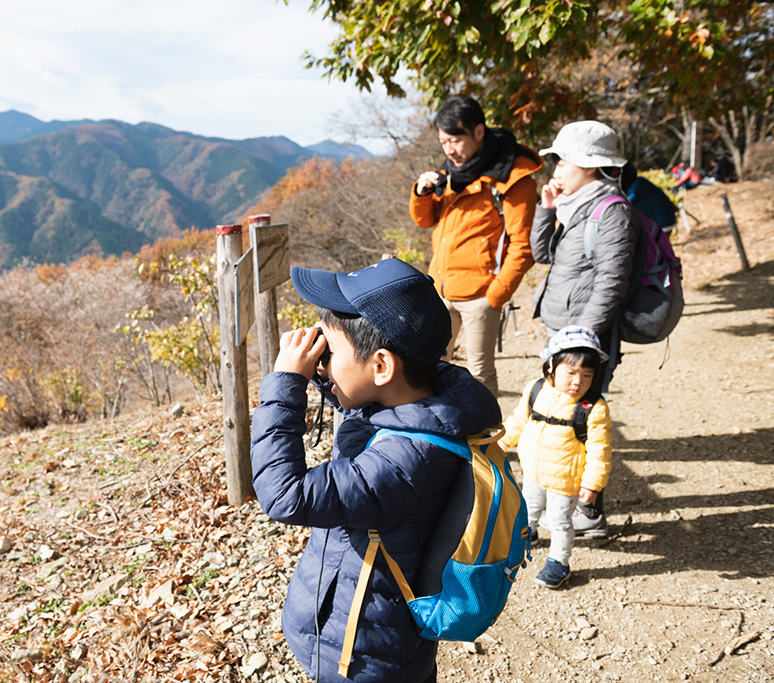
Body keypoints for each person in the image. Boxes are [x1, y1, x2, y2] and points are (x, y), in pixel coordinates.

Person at [250, 257, 501, 682]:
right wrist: (331, 377)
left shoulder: (407, 461)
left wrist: (284, 383)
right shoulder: (419, 403)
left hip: (366, 658)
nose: (321, 359)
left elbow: (284, 494)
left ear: (382, 367)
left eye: (331, 350)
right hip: (362, 638)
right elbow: (364, 414)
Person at [531, 120, 640, 538]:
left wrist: (584, 344)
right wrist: (545, 207)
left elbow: (612, 280)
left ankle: (589, 510)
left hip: (583, 339)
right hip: (563, 334)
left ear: (590, 165)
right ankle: (566, 507)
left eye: (562, 161)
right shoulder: (576, 206)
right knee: (562, 417)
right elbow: (544, 254)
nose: (556, 169)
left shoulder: (611, 211)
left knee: (583, 420)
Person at [409, 95, 542, 397]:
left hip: (480, 294)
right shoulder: (450, 172)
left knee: (480, 376)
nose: (449, 149)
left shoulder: (512, 176)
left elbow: (523, 245)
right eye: (443, 142)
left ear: (479, 132)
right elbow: (425, 220)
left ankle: (485, 444)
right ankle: (441, 438)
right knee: (431, 367)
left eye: (455, 140)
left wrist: (494, 295)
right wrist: (421, 192)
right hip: (441, 289)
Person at [503, 326, 613, 588]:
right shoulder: (536, 389)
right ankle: (527, 538)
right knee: (527, 508)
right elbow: (520, 420)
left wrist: (592, 484)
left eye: (587, 375)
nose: (578, 382)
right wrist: (501, 441)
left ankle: (558, 562)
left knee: (559, 521)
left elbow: (600, 450)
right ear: (551, 365)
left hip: (566, 480)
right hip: (532, 469)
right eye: (571, 372)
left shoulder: (593, 408)